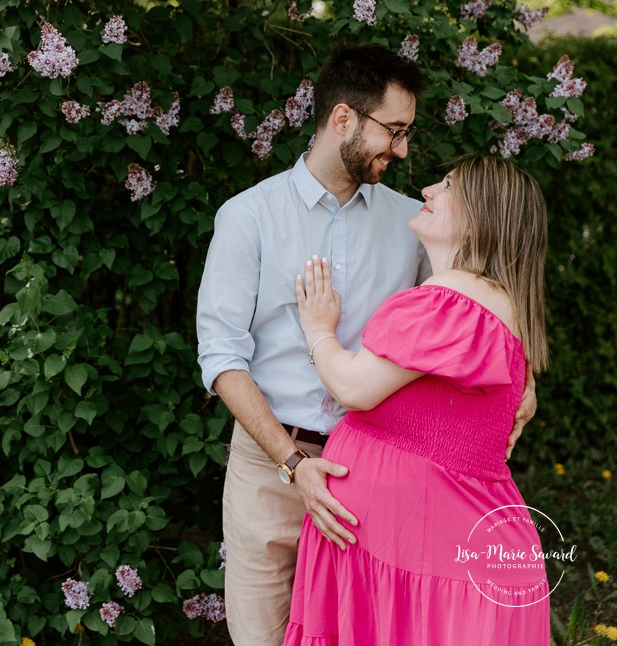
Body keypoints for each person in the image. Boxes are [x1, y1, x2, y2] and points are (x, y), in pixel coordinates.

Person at [196, 44, 536, 646]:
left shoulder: (414, 223)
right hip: (274, 466)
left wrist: (523, 383)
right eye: (395, 131)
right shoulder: (247, 218)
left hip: (378, 490)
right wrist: (293, 464)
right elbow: (222, 360)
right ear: (344, 119)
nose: (402, 150)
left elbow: (475, 313)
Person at [285, 154, 550, 646]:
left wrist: (319, 330)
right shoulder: (498, 302)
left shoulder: (450, 297)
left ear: (481, 215)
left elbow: (353, 388)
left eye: (447, 186)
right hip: (420, 561)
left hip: (424, 570)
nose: (428, 190)